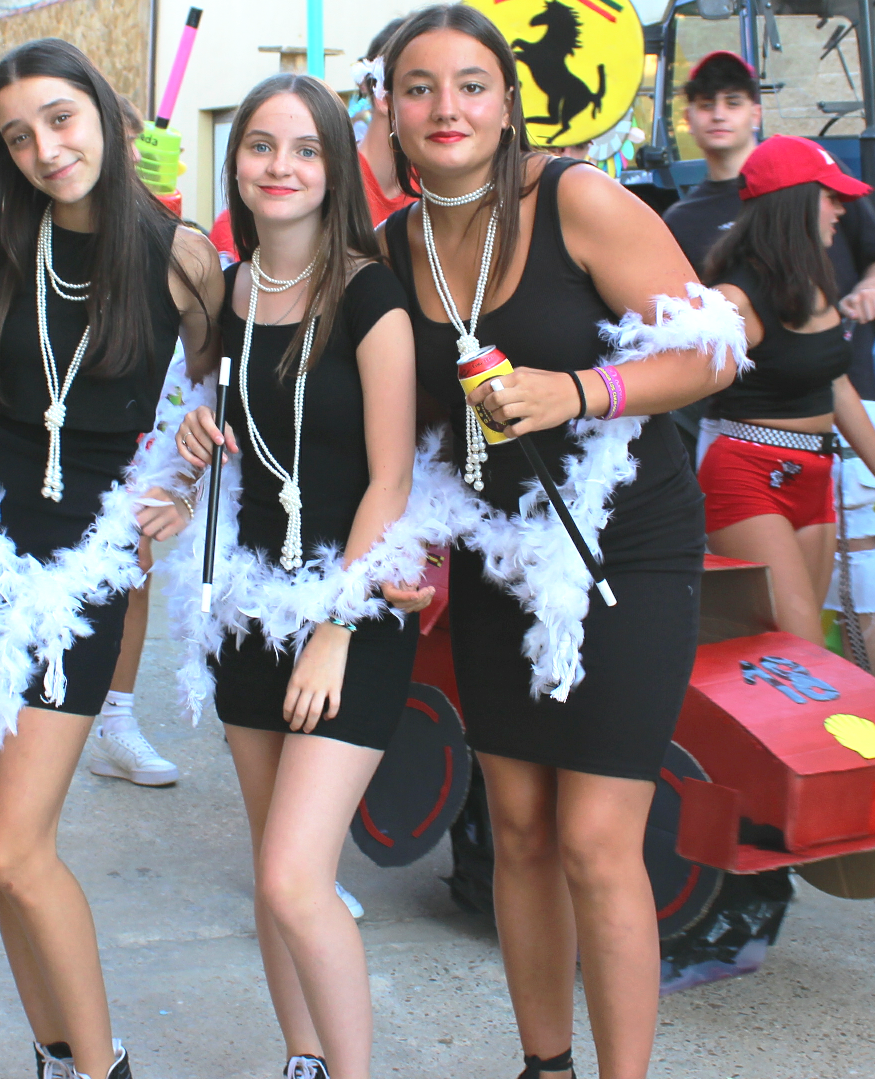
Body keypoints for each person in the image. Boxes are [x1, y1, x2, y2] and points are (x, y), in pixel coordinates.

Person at [378, 6, 745, 1078]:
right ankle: (545, 1066)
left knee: (593, 837)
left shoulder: (574, 198)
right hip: (496, 555)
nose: (446, 107)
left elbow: (713, 350)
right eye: (418, 87)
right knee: (519, 829)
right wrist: (415, 542)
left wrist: (578, 389)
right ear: (389, 111)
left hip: (622, 547)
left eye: (470, 84)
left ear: (507, 103)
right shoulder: (395, 246)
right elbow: (419, 426)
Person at [0, 38, 223, 1079]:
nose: (44, 149)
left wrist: (180, 486)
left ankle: (101, 1064)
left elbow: (218, 396)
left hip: (80, 574)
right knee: (7, 856)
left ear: (102, 112)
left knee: (9, 845)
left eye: (59, 119)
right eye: (16, 136)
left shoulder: (179, 254)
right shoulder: (1, 241)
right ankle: (56, 1055)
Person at [171, 73, 434, 1079]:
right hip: (248, 608)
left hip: (348, 613)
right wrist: (197, 430)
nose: (278, 166)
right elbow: (219, 417)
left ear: (334, 169)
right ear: (235, 163)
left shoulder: (370, 295)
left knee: (294, 876)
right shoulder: (226, 292)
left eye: (303, 149)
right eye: (259, 146)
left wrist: (336, 626)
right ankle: (304, 1058)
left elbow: (390, 479)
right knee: (269, 871)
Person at [701, 135, 875, 643]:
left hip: (816, 475)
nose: (841, 210)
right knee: (801, 649)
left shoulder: (813, 281)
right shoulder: (733, 299)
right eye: (831, 197)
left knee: (798, 648)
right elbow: (674, 384)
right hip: (748, 478)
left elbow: (834, 383)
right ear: (795, 203)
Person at [665, 51, 875, 395]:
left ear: (756, 113)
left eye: (733, 102)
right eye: (706, 105)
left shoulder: (815, 175)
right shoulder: (680, 221)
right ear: (688, 118)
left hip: (854, 384)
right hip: (761, 406)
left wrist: (869, 287)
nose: (718, 114)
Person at [92, 91, 182, 789]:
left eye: (128, 145)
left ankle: (115, 719)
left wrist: (166, 210)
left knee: (134, 561)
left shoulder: (163, 233)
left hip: (133, 426)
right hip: (43, 430)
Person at [351, 17, 417, 227]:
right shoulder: (334, 185)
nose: (447, 109)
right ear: (382, 96)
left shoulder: (440, 184)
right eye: (421, 89)